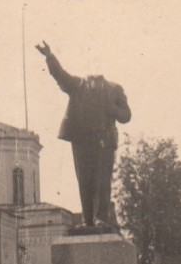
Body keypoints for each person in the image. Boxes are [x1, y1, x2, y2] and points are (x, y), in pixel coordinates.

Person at [35, 41, 131, 228]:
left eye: (98, 61)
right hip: (82, 141)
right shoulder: (78, 85)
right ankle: (88, 220)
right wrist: (50, 57)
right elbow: (60, 76)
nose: (94, 64)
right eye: (91, 61)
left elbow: (127, 115)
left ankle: (101, 218)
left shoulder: (114, 88)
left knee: (102, 181)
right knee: (84, 181)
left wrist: (113, 109)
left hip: (104, 141)